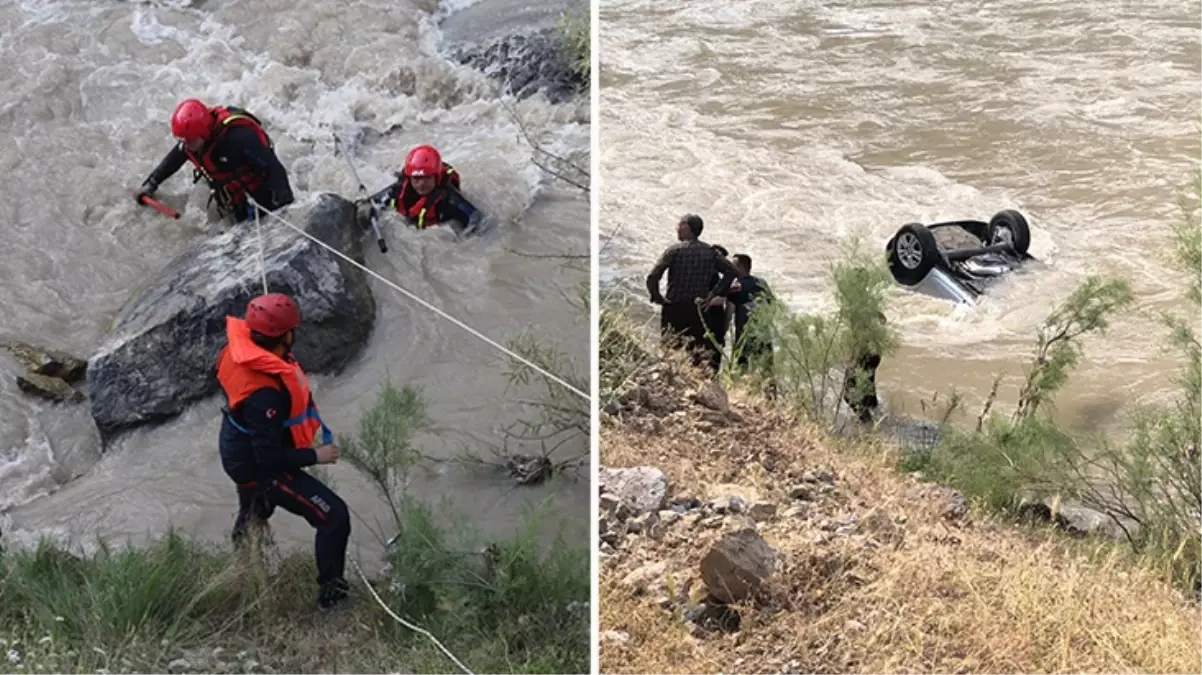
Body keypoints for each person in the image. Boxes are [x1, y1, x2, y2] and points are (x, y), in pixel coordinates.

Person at [215, 292, 351, 609]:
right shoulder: (266, 395)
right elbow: (270, 459)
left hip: (236, 447)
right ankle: (332, 598)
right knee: (333, 516)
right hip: (256, 464)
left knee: (254, 506)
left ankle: (244, 567)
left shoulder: (235, 352)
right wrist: (315, 456)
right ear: (287, 335)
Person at [134, 99, 294, 224]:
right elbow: (173, 160)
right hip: (235, 200)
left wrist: (285, 211)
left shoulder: (239, 138)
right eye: (184, 141)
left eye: (190, 140)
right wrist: (151, 184)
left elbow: (275, 170)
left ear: (203, 132)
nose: (186, 145)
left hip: (263, 195)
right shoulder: (193, 142)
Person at [645, 214, 742, 374]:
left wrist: (657, 297)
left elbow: (653, 276)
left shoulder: (674, 250)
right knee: (696, 353)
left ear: (686, 227)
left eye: (679, 225)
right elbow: (732, 271)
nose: (676, 229)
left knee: (670, 347)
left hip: (674, 307)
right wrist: (712, 295)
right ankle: (696, 386)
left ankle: (671, 381)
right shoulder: (710, 252)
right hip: (699, 309)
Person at [360, 144, 483, 233]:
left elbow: (478, 220)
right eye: (417, 179)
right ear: (409, 178)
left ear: (437, 177)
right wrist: (367, 210)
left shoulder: (450, 201)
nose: (421, 184)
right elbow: (373, 203)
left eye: (427, 178)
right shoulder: (399, 189)